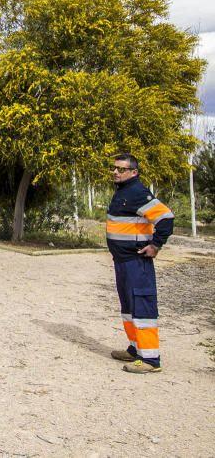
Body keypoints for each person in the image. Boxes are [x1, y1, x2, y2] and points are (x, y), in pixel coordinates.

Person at [106, 153, 173, 374]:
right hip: (122, 261)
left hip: (137, 262)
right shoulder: (123, 192)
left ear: (133, 172)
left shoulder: (137, 192)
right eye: (114, 168)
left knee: (142, 306)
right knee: (128, 306)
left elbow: (165, 217)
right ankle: (135, 349)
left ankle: (150, 359)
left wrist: (155, 245)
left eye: (121, 169)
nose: (116, 172)